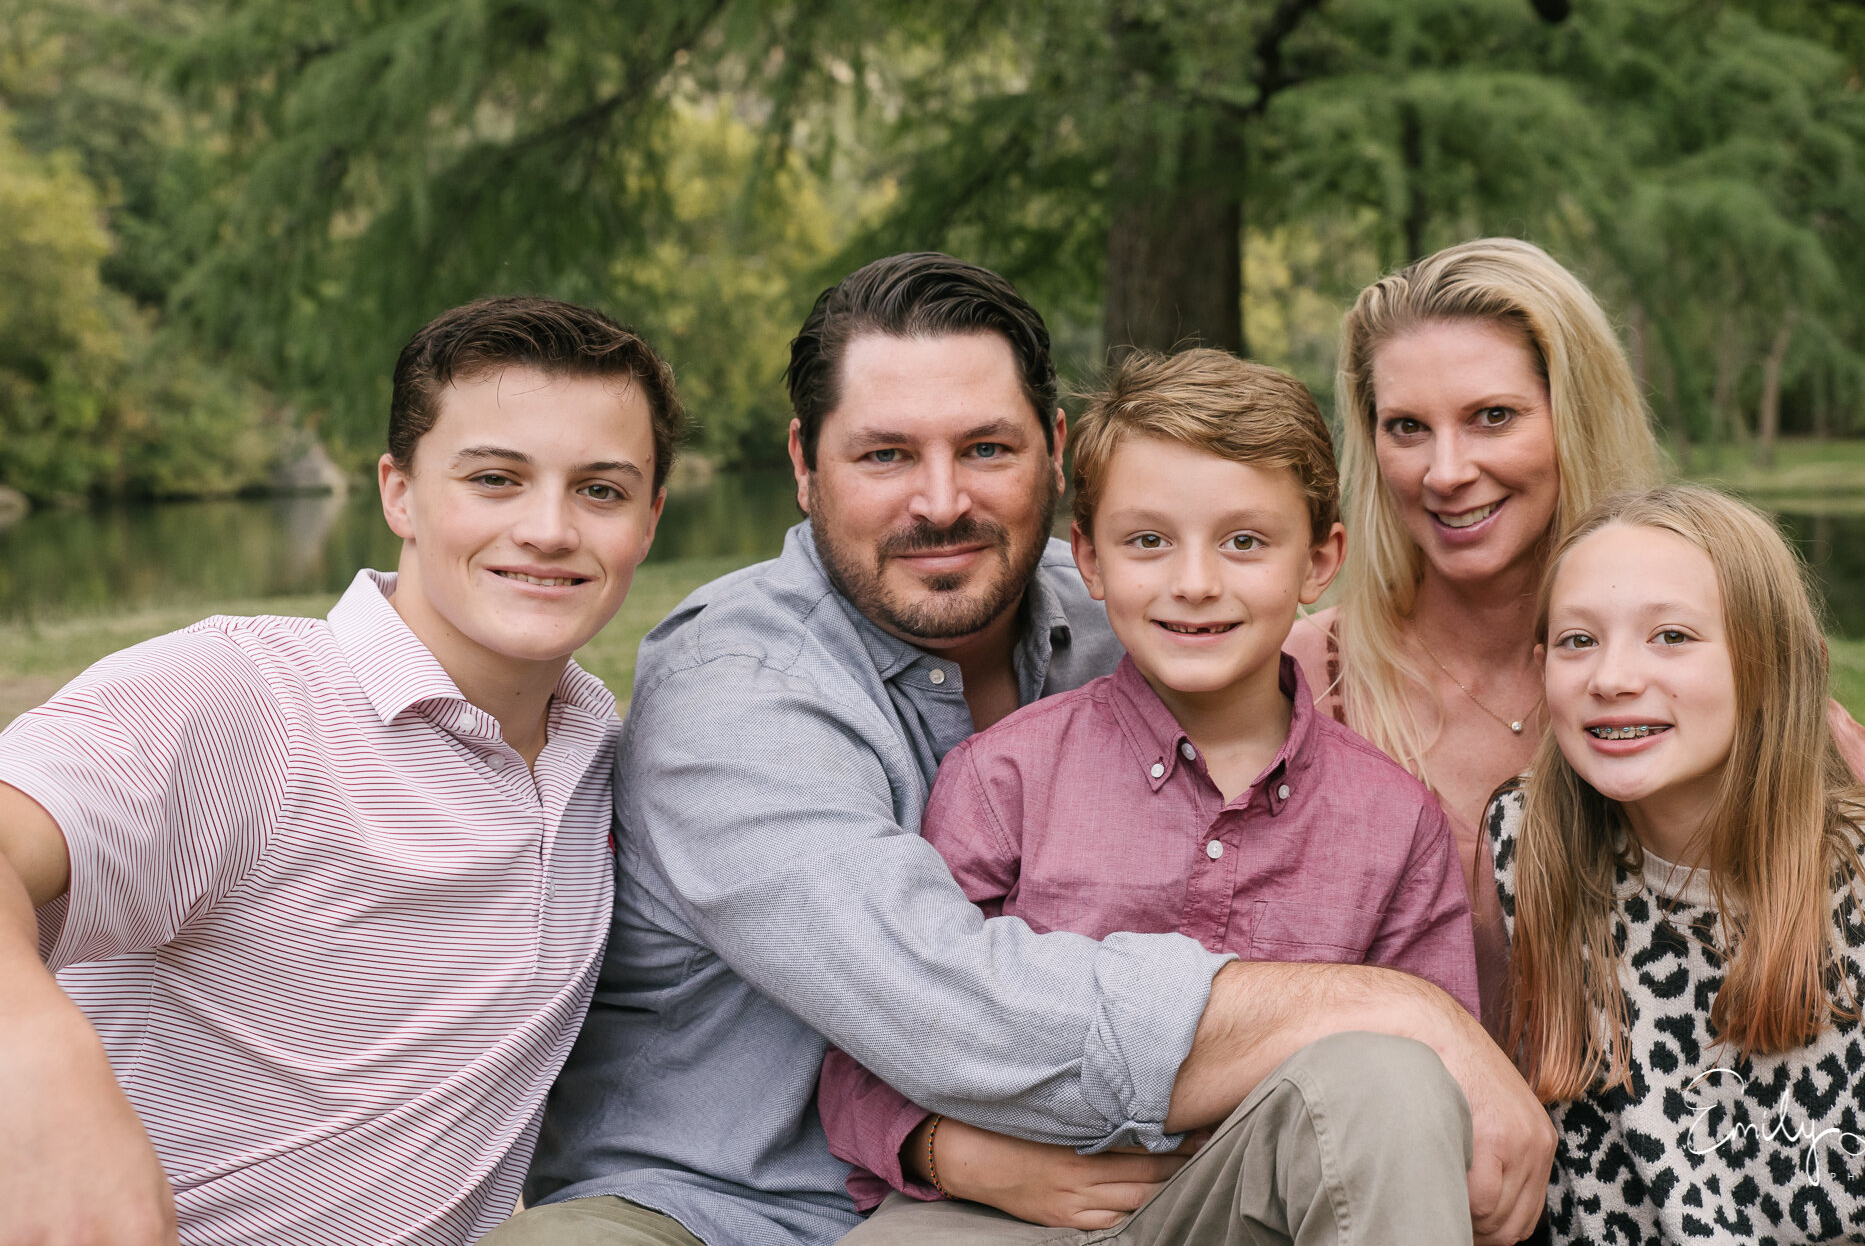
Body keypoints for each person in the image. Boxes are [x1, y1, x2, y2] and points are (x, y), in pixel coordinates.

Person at [502, 253, 1552, 1246]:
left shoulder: (1127, 615)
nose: (942, 500)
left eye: (986, 448)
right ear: (802, 465)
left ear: (1053, 452)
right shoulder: (739, 685)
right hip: (723, 1202)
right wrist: (1389, 1007)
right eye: (883, 455)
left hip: (1127, 1194)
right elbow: (939, 1003)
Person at [0, 296, 677, 1246]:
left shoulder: (604, 755)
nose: (550, 529)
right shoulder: (244, 699)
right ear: (399, 492)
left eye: (600, 490)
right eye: (495, 478)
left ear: (648, 521)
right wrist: (37, 1059)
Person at [1286, 236, 1865, 1027]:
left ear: (1573, 417)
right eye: (1407, 427)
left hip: (1677, 1139)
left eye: (1493, 416)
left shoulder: (1689, 666)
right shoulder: (1314, 675)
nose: (1444, 470)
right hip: (1403, 1140)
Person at [817, 348, 1483, 1243]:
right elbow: (878, 1044)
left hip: (1255, 1201)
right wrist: (965, 1159)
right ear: (1087, 557)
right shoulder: (1002, 777)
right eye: (1148, 540)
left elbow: (1429, 1095)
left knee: (1396, 1074)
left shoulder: (1393, 820)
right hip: (1016, 1205)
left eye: (1244, 541)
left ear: (1321, 560)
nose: (1196, 582)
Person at [1487, 483, 1865, 1243]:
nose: (1611, 677)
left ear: (1774, 666)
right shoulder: (1527, 845)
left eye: (1672, 636)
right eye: (1577, 640)